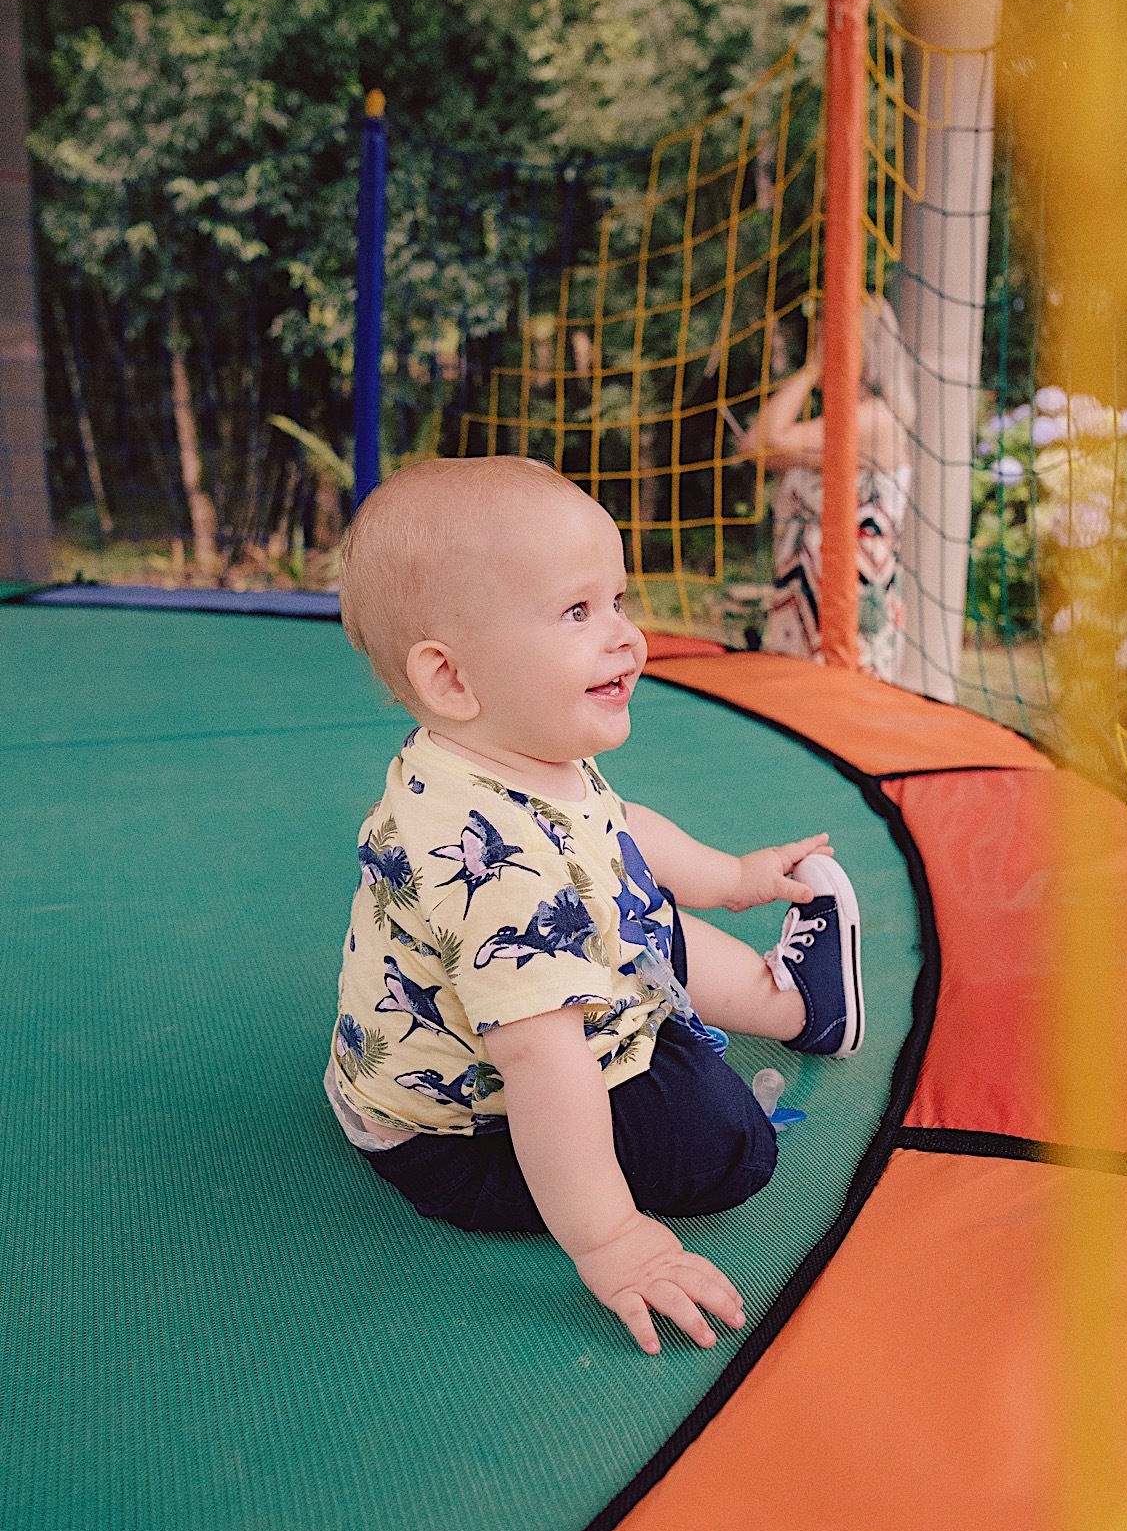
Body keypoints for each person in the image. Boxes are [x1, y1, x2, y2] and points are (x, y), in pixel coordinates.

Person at [329, 455, 865, 1357]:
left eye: (616, 601)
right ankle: (760, 1024)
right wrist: (612, 1238)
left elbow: (614, 829)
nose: (625, 636)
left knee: (635, 912)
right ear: (452, 678)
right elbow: (543, 1067)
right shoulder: (490, 866)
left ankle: (800, 1006)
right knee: (727, 1143)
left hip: (500, 1032)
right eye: (579, 612)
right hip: (464, 1136)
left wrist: (733, 877)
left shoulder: (501, 745)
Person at [741, 297, 914, 682]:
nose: (818, 345)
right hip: (802, 601)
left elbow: (764, 440)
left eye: (828, 337)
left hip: (847, 607)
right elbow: (758, 447)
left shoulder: (876, 420)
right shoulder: (833, 424)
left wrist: (813, 367)